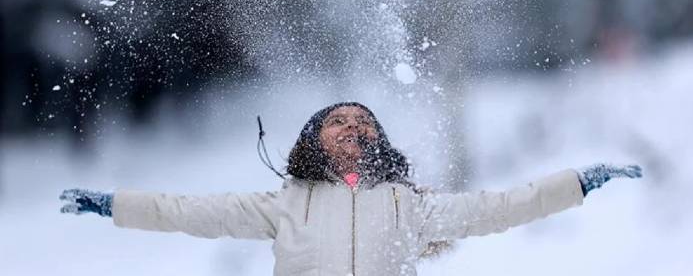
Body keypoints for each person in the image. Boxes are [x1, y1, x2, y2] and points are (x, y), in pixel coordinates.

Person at [60, 102, 642, 276]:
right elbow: (188, 210)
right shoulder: (284, 204)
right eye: (338, 121)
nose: (353, 127)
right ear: (313, 140)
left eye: (364, 122)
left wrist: (577, 183)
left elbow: (497, 209)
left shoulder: (408, 205)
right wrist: (114, 204)